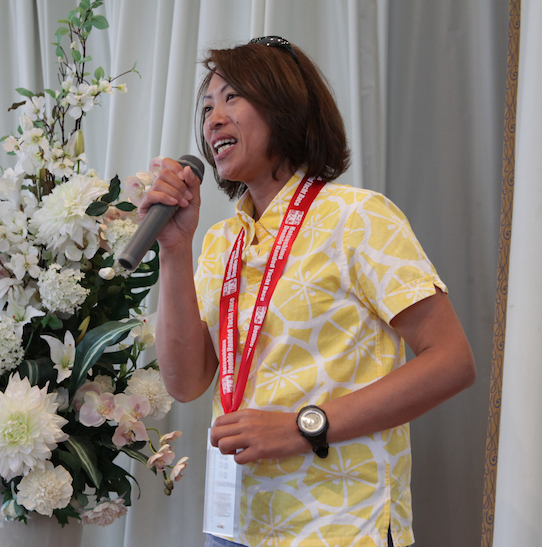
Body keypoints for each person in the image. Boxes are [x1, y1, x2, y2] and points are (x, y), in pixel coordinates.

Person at [139, 36, 476, 547]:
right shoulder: (220, 241)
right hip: (237, 526)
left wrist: (303, 427)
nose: (213, 119)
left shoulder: (357, 217)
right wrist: (174, 249)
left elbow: (452, 361)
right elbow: (186, 383)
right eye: (206, 107)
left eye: (232, 98)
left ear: (284, 106)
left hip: (341, 523)